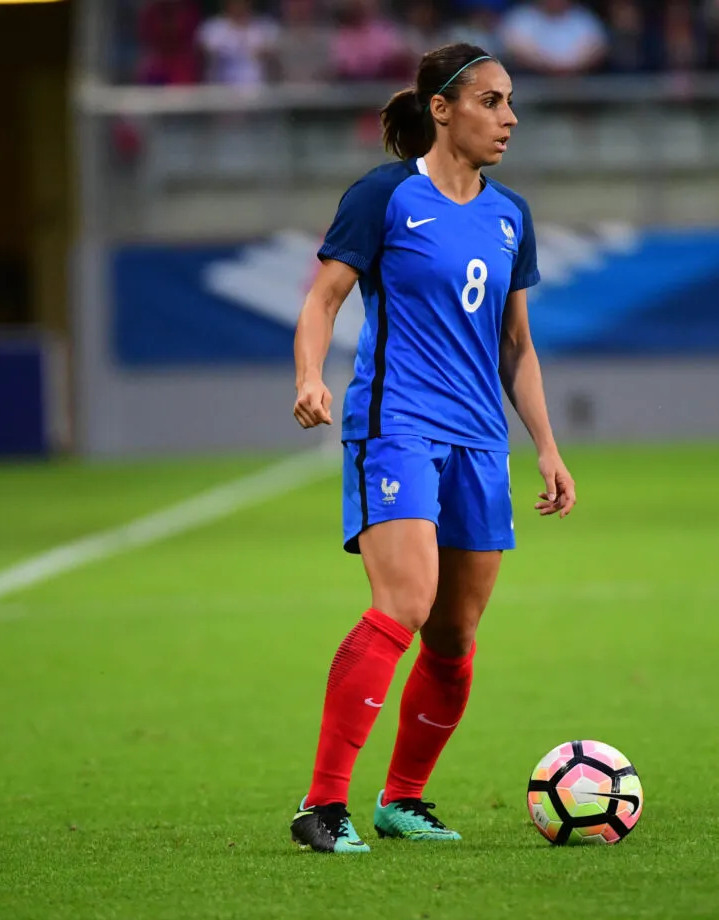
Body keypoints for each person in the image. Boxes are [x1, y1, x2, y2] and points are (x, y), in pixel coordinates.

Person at [289, 42, 576, 854]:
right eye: (491, 101)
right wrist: (310, 375)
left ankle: (403, 798)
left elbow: (516, 346)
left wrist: (547, 447)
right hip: (398, 425)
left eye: (510, 101)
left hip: (480, 440)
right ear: (441, 109)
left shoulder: (510, 215)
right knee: (404, 604)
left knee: (453, 638)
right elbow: (324, 299)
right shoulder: (384, 196)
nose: (509, 117)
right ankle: (321, 804)